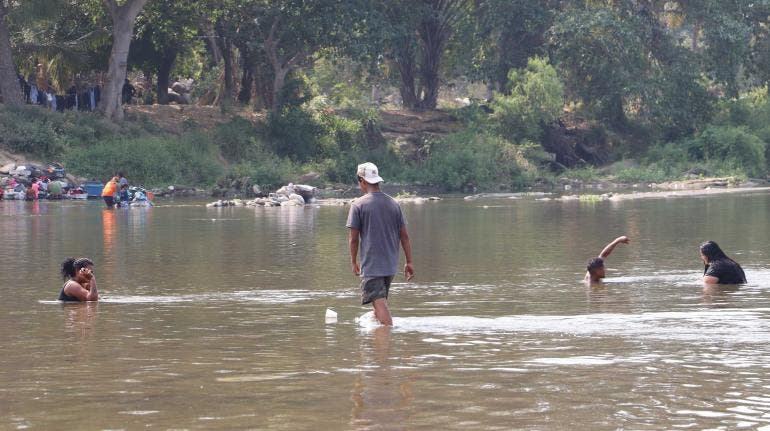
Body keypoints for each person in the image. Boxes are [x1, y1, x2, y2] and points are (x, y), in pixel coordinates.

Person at [346, 162, 414, 326]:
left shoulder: (358, 205)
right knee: (379, 305)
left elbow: (354, 239)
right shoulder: (394, 204)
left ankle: (387, 338)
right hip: (390, 266)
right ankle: (379, 347)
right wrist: (409, 262)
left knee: (380, 305)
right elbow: (404, 236)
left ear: (361, 180)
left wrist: (354, 261)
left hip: (372, 266)